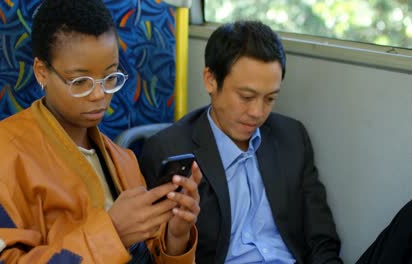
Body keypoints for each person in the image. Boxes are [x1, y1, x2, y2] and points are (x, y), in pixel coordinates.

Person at [0, 0, 201, 263]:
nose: (100, 94)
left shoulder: (123, 161)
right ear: (42, 72)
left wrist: (175, 238)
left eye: (110, 77)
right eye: (80, 82)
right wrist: (112, 235)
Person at [140, 20, 341, 264]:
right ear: (210, 80)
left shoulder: (292, 137)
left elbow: (321, 240)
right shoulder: (169, 149)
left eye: (270, 99)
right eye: (246, 97)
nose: (257, 112)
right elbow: (160, 254)